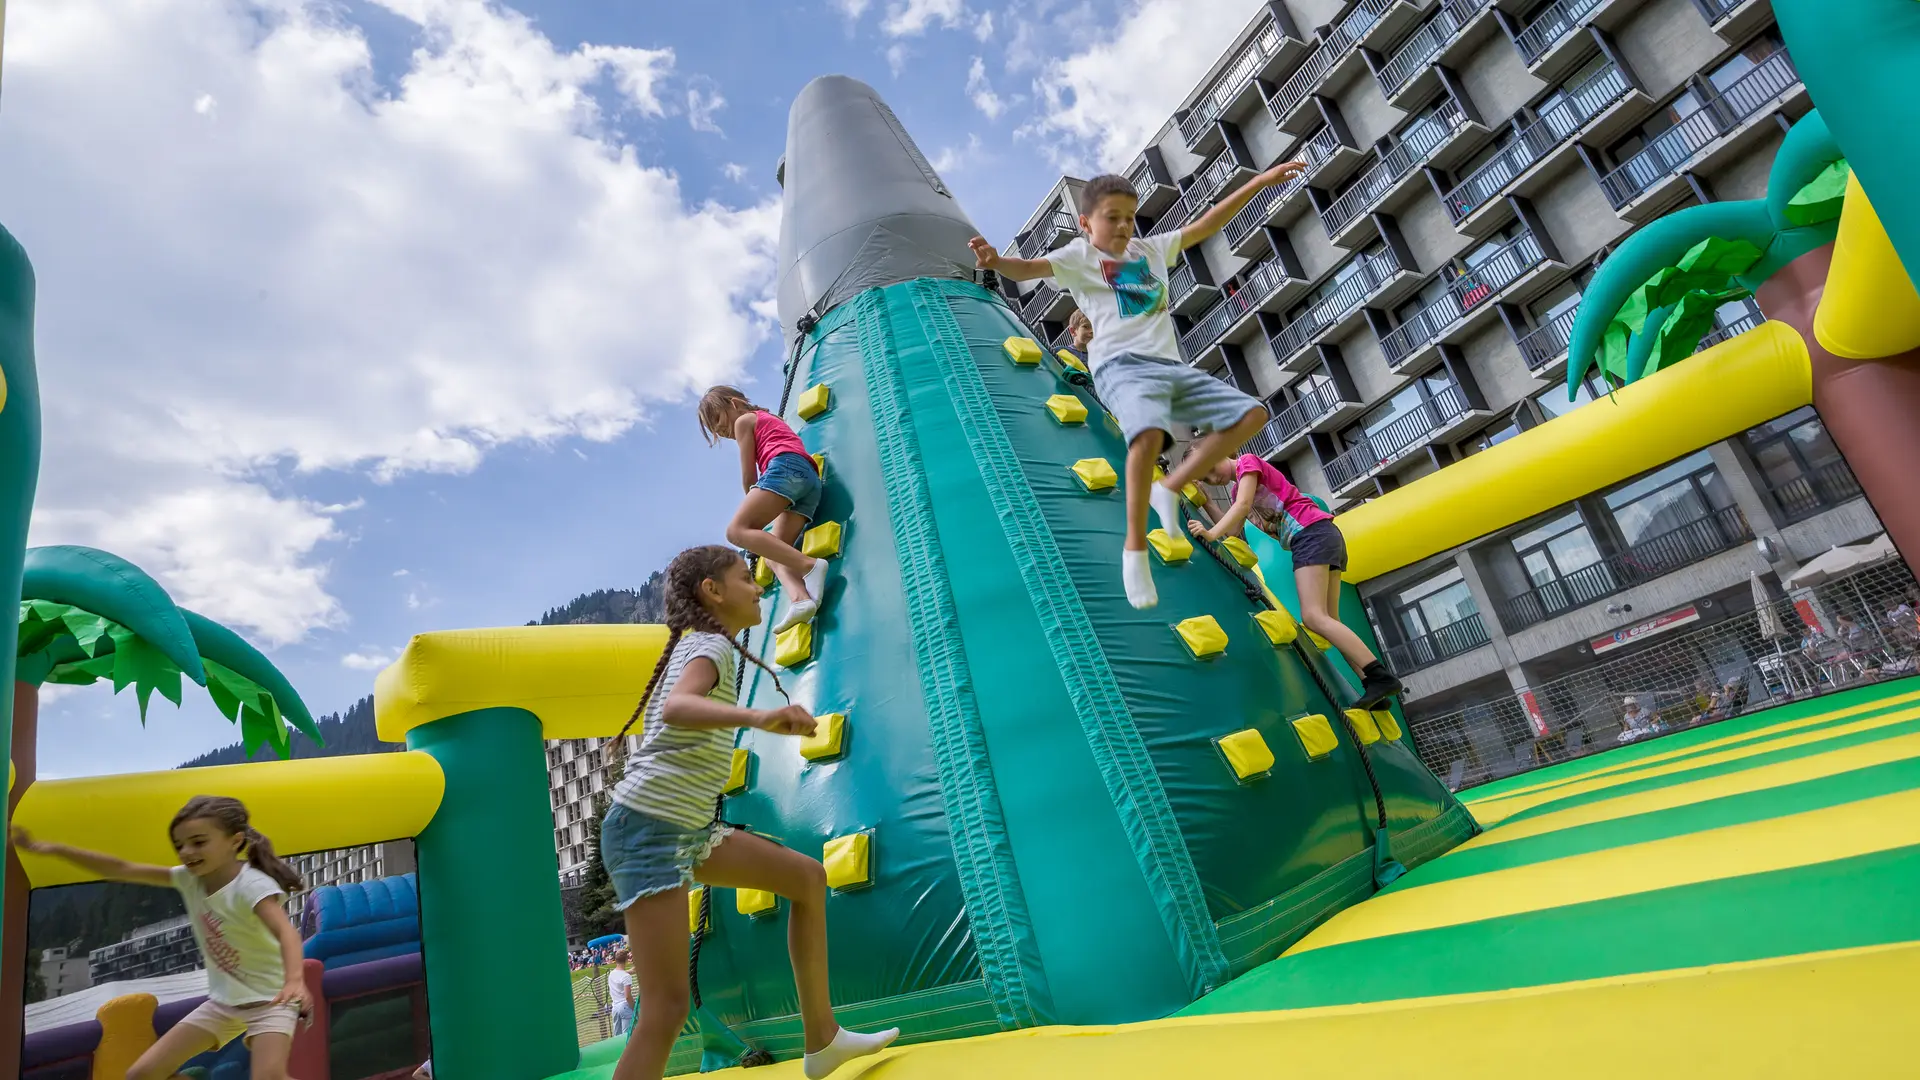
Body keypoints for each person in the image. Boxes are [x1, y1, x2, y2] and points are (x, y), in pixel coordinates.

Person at [602, 544, 898, 1080]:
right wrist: (762, 718)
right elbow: (678, 708)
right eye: (746, 577)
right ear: (712, 591)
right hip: (649, 828)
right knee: (666, 1008)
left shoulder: (707, 647)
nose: (759, 586)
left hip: (685, 830)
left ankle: (823, 1039)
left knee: (806, 878)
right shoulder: (713, 646)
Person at [970, 162, 1307, 609]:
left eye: (1129, 217)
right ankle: (1134, 550)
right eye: (1112, 218)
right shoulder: (1080, 257)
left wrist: (1260, 181)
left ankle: (1169, 488)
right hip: (1119, 366)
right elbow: (1027, 268)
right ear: (1086, 223)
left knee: (1252, 414)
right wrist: (996, 263)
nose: (1123, 226)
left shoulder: (1150, 250)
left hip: (1169, 367)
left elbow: (1208, 223)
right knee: (1148, 436)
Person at [12, 796, 310, 1080]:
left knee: (269, 1076)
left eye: (199, 842)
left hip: (273, 999)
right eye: (180, 845)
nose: (187, 852)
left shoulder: (251, 885)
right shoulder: (188, 879)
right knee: (141, 1074)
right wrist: (53, 849)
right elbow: (122, 868)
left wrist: (295, 981)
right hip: (225, 1003)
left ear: (235, 841)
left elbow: (286, 932)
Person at [1187, 454, 1402, 707]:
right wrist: (1208, 503)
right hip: (1323, 535)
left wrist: (1210, 534)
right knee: (1329, 620)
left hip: (1310, 534)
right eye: (1207, 479)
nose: (1214, 478)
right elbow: (1233, 531)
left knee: (1313, 617)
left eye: (1211, 468)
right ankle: (1371, 684)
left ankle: (1380, 677)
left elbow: (1243, 506)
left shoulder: (1247, 462)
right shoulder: (1236, 493)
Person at [696, 386, 833, 635]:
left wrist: (753, 513)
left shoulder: (744, 421)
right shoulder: (770, 418)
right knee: (773, 554)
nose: (720, 430)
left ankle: (809, 566)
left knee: (737, 531)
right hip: (808, 479)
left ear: (734, 403)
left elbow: (749, 477)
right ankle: (800, 599)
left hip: (785, 468)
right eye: (714, 429)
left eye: (717, 419)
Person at [607, 949, 637, 1036]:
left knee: (618, 1037)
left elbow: (630, 971)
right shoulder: (626, 976)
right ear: (627, 960)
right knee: (628, 1036)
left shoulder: (612, 974)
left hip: (615, 1008)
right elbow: (628, 997)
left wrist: (636, 966)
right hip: (625, 1007)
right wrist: (634, 1008)